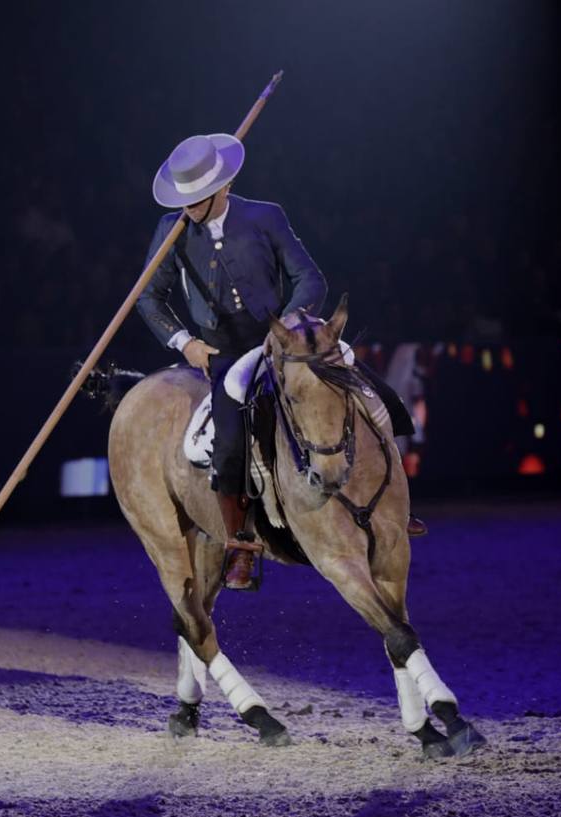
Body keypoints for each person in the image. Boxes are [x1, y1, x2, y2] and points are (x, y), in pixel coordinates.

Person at [136, 134, 421, 591]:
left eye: (198, 199)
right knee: (229, 440)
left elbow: (310, 277)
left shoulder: (264, 216)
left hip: (284, 339)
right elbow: (148, 298)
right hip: (225, 353)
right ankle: (241, 545)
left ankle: (392, 504)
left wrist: (290, 325)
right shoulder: (171, 230)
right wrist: (186, 345)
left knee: (373, 392)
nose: (189, 208)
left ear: (223, 188)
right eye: (184, 200)